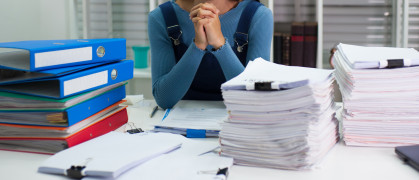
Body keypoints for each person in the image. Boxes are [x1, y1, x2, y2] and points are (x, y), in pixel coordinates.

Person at [148, 0, 273, 109]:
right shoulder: (162, 17)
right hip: (180, 125)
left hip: (237, 124)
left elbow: (256, 98)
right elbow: (164, 99)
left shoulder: (258, 15)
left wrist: (220, 44)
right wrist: (197, 46)